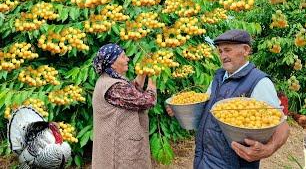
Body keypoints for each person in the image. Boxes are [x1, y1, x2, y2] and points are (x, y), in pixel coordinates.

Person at [166, 29, 290, 168]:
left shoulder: (259, 82)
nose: (223, 55)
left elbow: (282, 125)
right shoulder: (219, 76)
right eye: (220, 51)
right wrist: (180, 110)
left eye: (227, 50)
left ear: (245, 50)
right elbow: (206, 110)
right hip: (203, 159)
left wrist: (269, 149)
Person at [92, 43, 157, 169]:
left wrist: (142, 74)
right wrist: (153, 81)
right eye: (123, 57)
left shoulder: (108, 80)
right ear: (112, 63)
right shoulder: (114, 86)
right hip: (118, 151)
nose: (127, 59)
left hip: (114, 145)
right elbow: (146, 101)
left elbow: (130, 94)